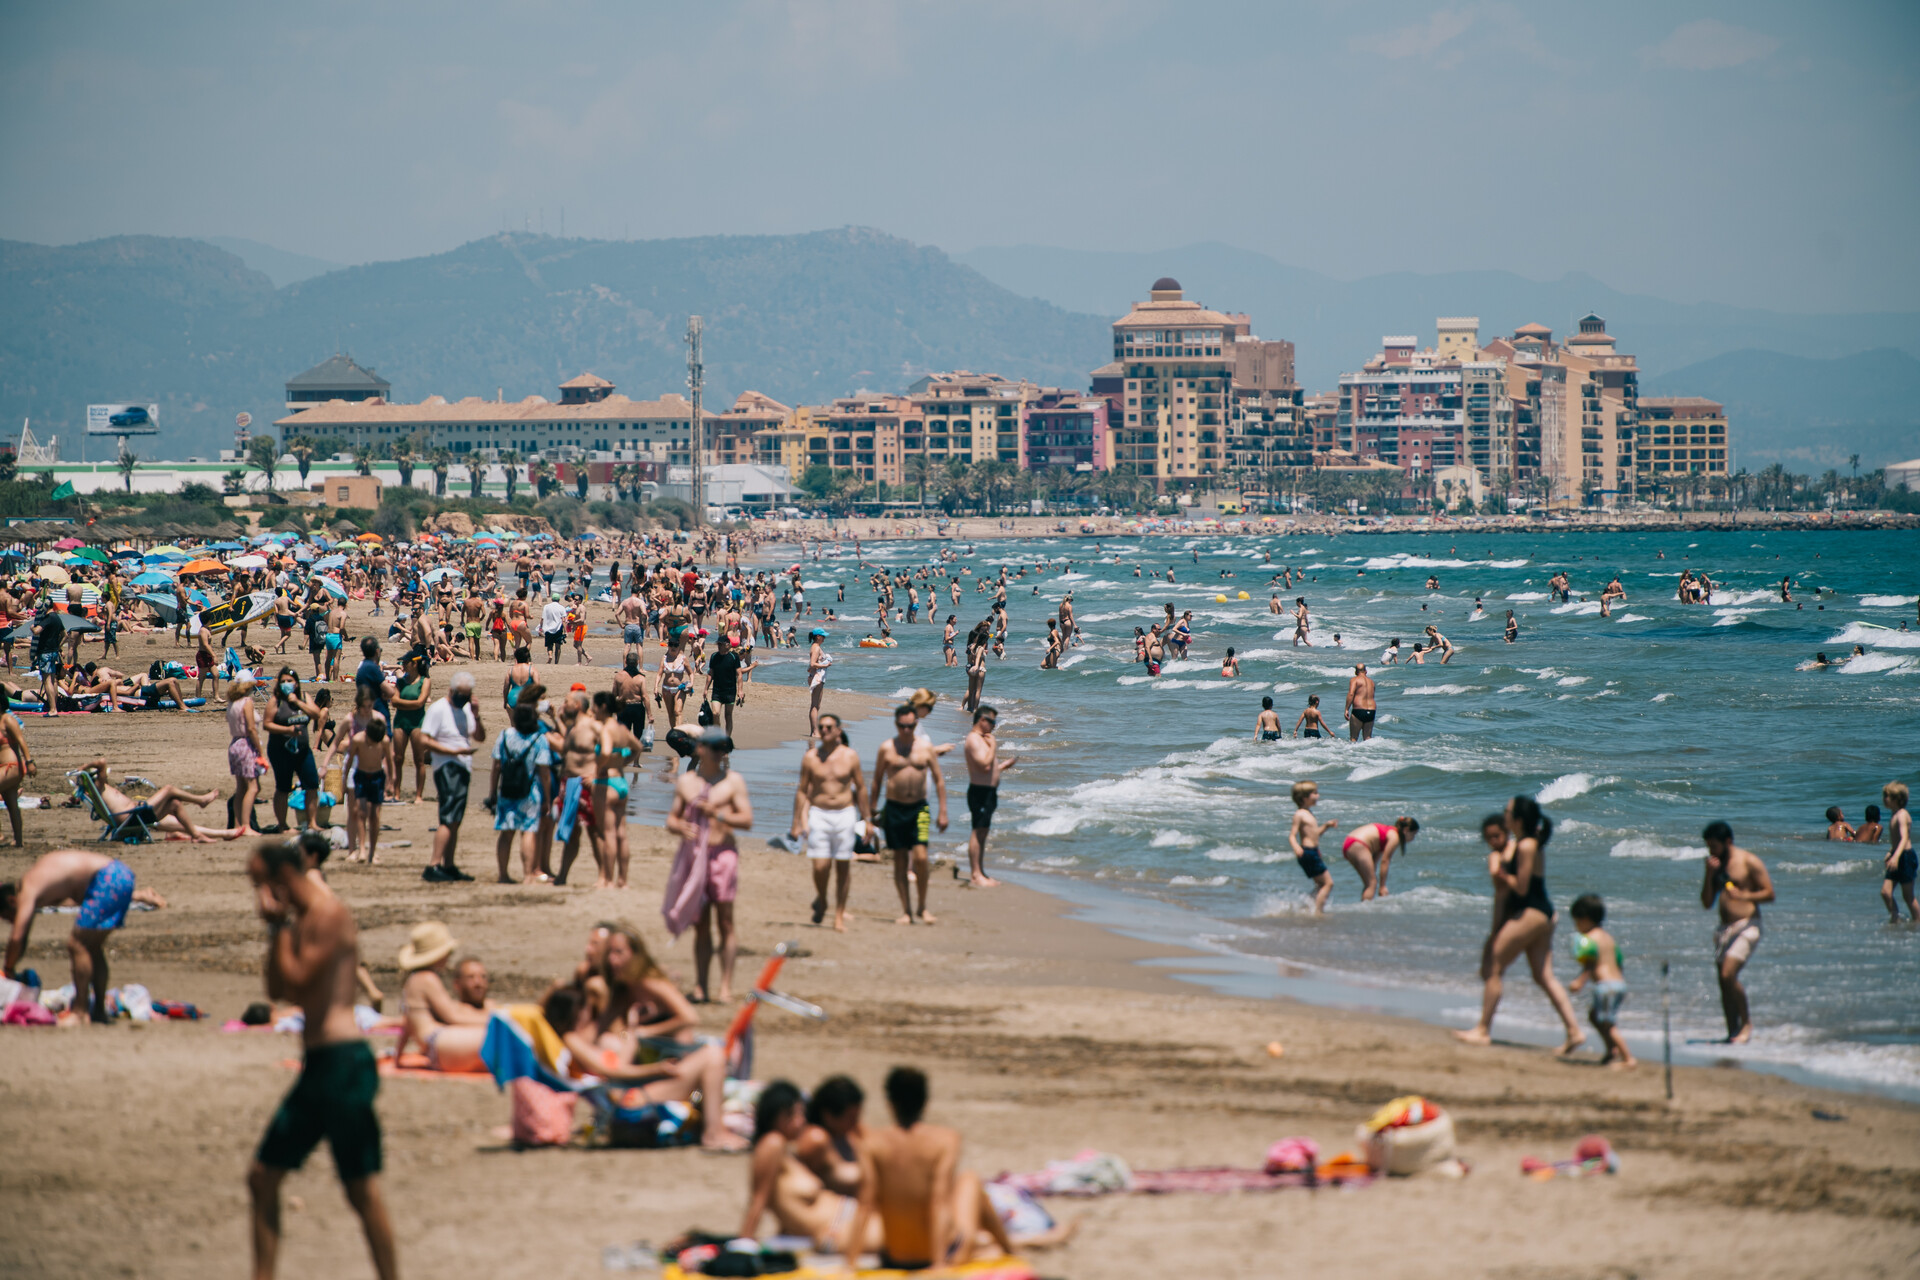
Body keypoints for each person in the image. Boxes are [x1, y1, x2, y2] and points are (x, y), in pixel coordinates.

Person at [245, 839, 397, 1280]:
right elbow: (275, 990)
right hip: (319, 1065)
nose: (258, 896)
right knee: (262, 1176)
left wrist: (278, 928)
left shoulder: (329, 915)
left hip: (343, 1063)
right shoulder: (300, 920)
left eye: (259, 884)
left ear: (281, 878)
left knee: (360, 1190)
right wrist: (277, 930)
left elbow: (298, 982)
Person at [845, 1066, 1019, 1271]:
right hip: (942, 1254)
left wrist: (850, 1263)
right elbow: (939, 1201)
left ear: (890, 1103)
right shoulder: (946, 1140)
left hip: (893, 1258)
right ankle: (1010, 1251)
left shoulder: (871, 1143)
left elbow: (865, 1202)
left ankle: (1004, 1249)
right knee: (970, 1179)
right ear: (925, 1101)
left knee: (965, 1190)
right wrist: (938, 1264)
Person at [540, 984, 746, 1151]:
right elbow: (611, 1071)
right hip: (628, 1101)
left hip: (629, 1095)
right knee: (712, 1055)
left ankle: (713, 1127)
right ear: (573, 1013)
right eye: (584, 1008)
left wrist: (632, 1028)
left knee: (710, 1056)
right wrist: (656, 1070)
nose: (589, 1013)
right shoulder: (571, 1039)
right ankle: (714, 1133)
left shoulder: (584, 1039)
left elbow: (619, 1065)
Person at [1453, 799, 1585, 1054]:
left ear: (1518, 819)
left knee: (1494, 966)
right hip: (1542, 913)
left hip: (1532, 912)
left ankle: (1482, 1030)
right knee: (1543, 976)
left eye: (1508, 812)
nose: (1504, 815)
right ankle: (1574, 1032)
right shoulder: (1525, 843)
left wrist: (1503, 875)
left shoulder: (1526, 845)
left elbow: (1522, 888)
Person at [741, 1080, 883, 1254]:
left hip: (847, 1218)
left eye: (801, 1113)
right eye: (793, 1114)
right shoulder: (773, 1143)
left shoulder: (785, 1155)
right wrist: (743, 1242)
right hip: (838, 1229)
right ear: (776, 1115)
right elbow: (759, 1199)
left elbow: (784, 1204)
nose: (801, 1121)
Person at [663, 726, 751, 1002]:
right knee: (700, 924)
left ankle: (725, 987)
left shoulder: (733, 782)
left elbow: (746, 820)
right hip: (695, 855)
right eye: (713, 747)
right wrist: (680, 827)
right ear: (700, 748)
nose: (718, 753)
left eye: (721, 748)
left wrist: (718, 815)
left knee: (725, 922)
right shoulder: (687, 782)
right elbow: (672, 819)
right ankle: (701, 985)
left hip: (723, 855)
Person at [2, 850, 140, 1021]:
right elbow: (23, 938)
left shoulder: (27, 888)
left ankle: (80, 1012)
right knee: (92, 948)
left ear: (11, 900)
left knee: (77, 945)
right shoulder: (38, 882)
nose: (11, 922)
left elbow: (17, 936)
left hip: (106, 878)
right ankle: (98, 1012)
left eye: (7, 917)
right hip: (120, 874)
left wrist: (8, 970)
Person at [791, 712, 870, 932]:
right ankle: (823, 898)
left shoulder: (850, 756)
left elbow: (861, 788)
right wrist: (796, 822)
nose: (824, 730)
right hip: (819, 813)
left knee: (843, 866)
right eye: (822, 727)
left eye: (829, 727)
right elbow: (802, 790)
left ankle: (838, 917)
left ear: (838, 731)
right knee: (820, 866)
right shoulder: (811, 757)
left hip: (845, 814)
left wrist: (868, 820)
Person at [873, 704, 949, 925]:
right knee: (899, 861)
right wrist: (870, 813)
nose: (906, 730)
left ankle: (922, 907)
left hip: (919, 809)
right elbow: (877, 781)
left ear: (916, 724)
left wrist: (943, 811)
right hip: (894, 808)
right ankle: (906, 911)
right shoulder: (887, 748)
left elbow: (939, 780)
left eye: (910, 726)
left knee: (921, 857)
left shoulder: (925, 748)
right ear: (896, 724)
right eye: (902, 726)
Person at [1700, 819, 1774, 1043]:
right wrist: (1709, 874)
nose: (1711, 852)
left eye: (1714, 846)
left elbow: (1769, 893)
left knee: (1728, 974)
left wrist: (1744, 895)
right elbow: (1706, 903)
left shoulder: (1748, 861)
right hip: (1724, 929)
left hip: (1748, 925)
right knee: (1723, 982)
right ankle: (1732, 1032)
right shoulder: (1717, 865)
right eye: (1708, 847)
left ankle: (1747, 1025)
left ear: (1728, 841)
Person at [393, 921, 489, 1071]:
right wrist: (491, 1021)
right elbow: (452, 1017)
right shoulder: (428, 978)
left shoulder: (413, 980)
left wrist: (397, 1057)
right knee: (502, 1038)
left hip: (432, 1046)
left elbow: (408, 1023)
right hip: (439, 1041)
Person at [418, 671, 484, 883]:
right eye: (461, 694)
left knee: (455, 820)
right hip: (447, 767)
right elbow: (424, 740)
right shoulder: (439, 709)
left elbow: (479, 736)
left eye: (467, 695)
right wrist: (453, 752)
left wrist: (476, 714)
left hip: (463, 767)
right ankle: (434, 864)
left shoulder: (465, 710)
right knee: (448, 818)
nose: (464, 698)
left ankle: (449, 865)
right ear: (452, 690)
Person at [489, 683, 555, 884]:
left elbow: (496, 766)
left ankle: (503, 875)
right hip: (530, 791)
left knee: (506, 834)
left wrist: (492, 793)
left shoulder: (505, 736)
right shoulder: (539, 739)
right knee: (528, 831)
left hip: (507, 790)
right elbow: (544, 772)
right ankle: (527, 875)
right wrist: (547, 799)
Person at [1566, 893, 1635, 1069]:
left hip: (1605, 987)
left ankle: (1628, 1058)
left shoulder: (1589, 939)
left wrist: (1579, 982)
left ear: (1585, 919)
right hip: (1618, 984)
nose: (1576, 926)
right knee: (1595, 1016)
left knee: (1607, 1023)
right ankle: (1611, 1050)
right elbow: (1619, 961)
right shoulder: (1608, 938)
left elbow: (1590, 964)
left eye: (1577, 922)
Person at [262, 669, 324, 834]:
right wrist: (287, 730)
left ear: (296, 683)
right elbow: (267, 724)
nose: (286, 684)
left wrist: (298, 702)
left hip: (302, 750)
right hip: (280, 750)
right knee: (283, 787)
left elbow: (316, 714)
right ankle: (282, 825)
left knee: (312, 785)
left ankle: (312, 823)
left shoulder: (303, 697)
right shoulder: (276, 701)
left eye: (289, 681)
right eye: (283, 681)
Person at [963, 705, 1015, 888]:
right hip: (980, 792)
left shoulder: (981, 739)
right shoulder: (973, 739)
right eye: (992, 722)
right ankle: (975, 875)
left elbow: (987, 768)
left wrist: (1001, 767)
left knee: (983, 832)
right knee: (977, 831)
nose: (994, 726)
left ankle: (981, 871)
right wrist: (993, 745)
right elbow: (984, 765)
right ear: (982, 720)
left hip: (988, 791)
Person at [1338, 815, 1418, 901]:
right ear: (1406, 830)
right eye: (1413, 834)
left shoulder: (1386, 833)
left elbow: (1374, 863)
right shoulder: (1395, 837)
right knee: (1372, 884)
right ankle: (1366, 908)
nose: (1413, 838)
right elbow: (1385, 861)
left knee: (1369, 883)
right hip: (1359, 844)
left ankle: (1364, 905)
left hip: (1349, 844)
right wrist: (1382, 886)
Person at [344, 718, 390, 866]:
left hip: (377, 777)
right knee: (361, 812)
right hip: (361, 776)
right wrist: (344, 781)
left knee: (375, 816)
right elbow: (349, 760)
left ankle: (372, 852)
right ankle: (362, 849)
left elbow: (389, 760)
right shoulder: (358, 739)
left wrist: (391, 782)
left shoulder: (384, 740)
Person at [1288, 780, 1339, 915]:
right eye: (1314, 793)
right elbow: (1292, 835)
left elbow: (1315, 835)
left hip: (1313, 852)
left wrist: (1326, 826)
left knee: (1321, 885)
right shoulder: (1299, 814)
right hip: (1307, 852)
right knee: (1328, 883)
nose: (1318, 796)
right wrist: (1296, 847)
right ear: (1304, 798)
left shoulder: (1309, 812)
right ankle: (1317, 912)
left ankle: (1306, 907)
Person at [227, 673, 267, 836]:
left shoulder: (232, 703)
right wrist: (260, 752)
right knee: (253, 787)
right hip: (245, 744)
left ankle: (238, 826)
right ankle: (246, 825)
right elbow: (251, 728)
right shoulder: (246, 702)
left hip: (234, 744)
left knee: (241, 788)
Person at [391, 652, 432, 804]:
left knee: (419, 759)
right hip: (401, 722)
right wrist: (412, 704)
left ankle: (418, 795)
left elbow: (420, 702)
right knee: (398, 759)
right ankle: (396, 793)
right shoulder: (401, 681)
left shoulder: (424, 681)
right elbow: (394, 701)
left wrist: (402, 704)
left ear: (414, 664)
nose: (403, 665)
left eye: (405, 662)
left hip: (417, 723)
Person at [0, 688, 36, 845]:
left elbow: (21, 741)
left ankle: (0, 836)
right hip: (4, 767)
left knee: (12, 804)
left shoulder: (8, 720)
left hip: (12, 767)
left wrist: (29, 762)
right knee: (12, 804)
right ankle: (18, 841)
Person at [1880, 780, 1915, 924]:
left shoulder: (1901, 815)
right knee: (1885, 892)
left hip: (1906, 857)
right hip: (1897, 854)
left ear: (1897, 798)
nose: (1884, 799)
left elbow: (1904, 837)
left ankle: (1917, 922)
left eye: (1887, 796)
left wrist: (1896, 856)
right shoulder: (1894, 814)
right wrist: (1891, 852)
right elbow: (1897, 840)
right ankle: (1896, 919)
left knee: (1908, 897)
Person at [805, 628, 831, 735]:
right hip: (816, 678)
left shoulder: (816, 647)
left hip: (817, 677)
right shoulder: (816, 647)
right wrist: (825, 665)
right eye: (823, 636)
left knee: (817, 705)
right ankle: (814, 732)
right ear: (818, 637)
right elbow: (812, 664)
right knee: (815, 705)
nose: (824, 638)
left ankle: (814, 730)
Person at [1344, 663, 1377, 742]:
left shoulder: (1354, 680)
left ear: (1356, 672)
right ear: (1366, 671)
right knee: (1368, 738)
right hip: (1371, 710)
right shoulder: (1371, 682)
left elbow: (1351, 694)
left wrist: (1346, 709)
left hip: (1359, 710)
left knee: (1354, 738)